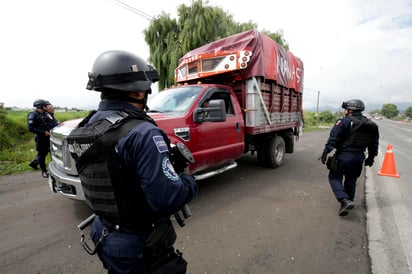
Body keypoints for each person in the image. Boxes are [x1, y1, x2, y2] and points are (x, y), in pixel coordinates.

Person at [75, 50, 197, 273]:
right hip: (139, 247)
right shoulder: (143, 133)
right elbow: (166, 198)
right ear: (139, 91)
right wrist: (189, 181)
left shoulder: (86, 126)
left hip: (104, 235)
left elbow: (117, 175)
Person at [320, 99, 379, 217]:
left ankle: (344, 200)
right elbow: (374, 145)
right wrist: (370, 158)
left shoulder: (344, 121)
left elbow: (334, 138)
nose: (344, 111)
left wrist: (325, 152)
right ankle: (346, 203)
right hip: (359, 158)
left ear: (349, 110)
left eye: (345, 109)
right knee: (351, 180)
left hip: (343, 156)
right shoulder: (372, 125)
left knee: (334, 178)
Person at [27, 99, 58, 178]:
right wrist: (43, 133)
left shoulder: (47, 114)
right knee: (41, 155)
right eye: (45, 106)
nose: (47, 107)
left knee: (53, 154)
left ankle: (55, 170)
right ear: (41, 106)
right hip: (41, 139)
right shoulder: (33, 115)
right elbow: (31, 128)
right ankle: (44, 171)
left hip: (51, 138)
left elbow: (53, 123)